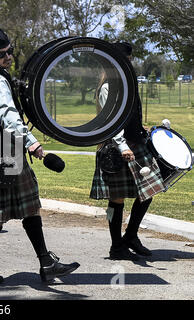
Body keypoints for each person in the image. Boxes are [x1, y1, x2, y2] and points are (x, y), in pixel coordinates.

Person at [0, 29, 80, 284]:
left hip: (3, 150)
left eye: (10, 51)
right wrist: (33, 144)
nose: (8, 57)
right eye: (1, 54)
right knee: (1, 215)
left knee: (26, 208)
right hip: (4, 151)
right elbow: (8, 116)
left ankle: (45, 262)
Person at [90, 42, 166, 260]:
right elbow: (111, 123)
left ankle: (131, 235)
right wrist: (123, 147)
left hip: (135, 142)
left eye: (129, 60)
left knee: (150, 189)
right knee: (117, 199)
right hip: (116, 148)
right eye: (125, 60)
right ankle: (117, 247)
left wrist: (141, 128)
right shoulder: (107, 88)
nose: (128, 63)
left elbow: (127, 117)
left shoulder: (127, 85)